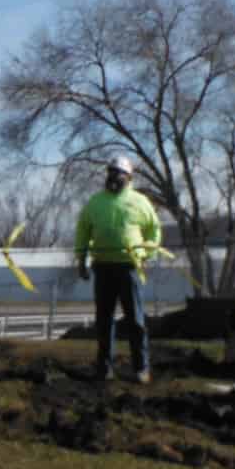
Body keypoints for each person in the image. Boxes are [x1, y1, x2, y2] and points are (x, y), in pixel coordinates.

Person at [74, 154, 161, 383]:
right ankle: (104, 369)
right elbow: (83, 230)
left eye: (118, 173)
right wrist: (81, 259)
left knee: (136, 320)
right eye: (110, 172)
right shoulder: (95, 202)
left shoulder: (140, 202)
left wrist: (147, 254)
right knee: (104, 320)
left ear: (129, 177)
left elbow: (154, 231)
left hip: (129, 267)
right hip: (102, 267)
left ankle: (141, 368)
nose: (113, 177)